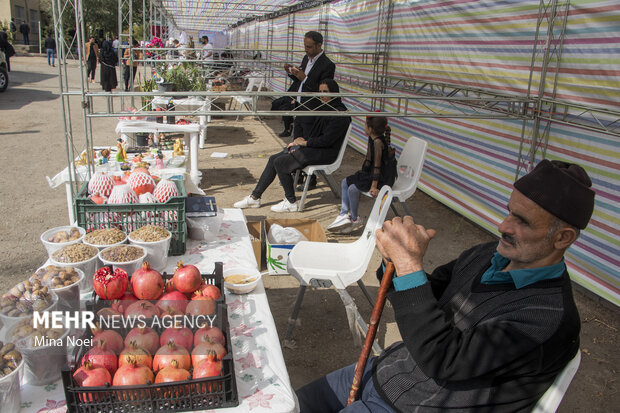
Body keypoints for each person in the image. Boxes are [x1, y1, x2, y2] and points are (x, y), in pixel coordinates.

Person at [297, 159, 595, 412]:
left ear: (563, 238)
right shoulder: (487, 254)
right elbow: (425, 293)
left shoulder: (547, 317)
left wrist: (409, 266)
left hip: (415, 406)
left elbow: (444, 360)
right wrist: (395, 261)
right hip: (385, 371)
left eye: (523, 221)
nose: (504, 226)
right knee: (288, 403)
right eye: (508, 211)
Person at [234, 79, 351, 213]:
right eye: (320, 91)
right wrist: (299, 141)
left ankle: (290, 202)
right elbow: (312, 131)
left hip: (326, 153)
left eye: (326, 92)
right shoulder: (325, 107)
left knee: (280, 162)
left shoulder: (339, 114)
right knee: (273, 159)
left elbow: (327, 140)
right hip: (315, 148)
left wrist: (305, 143)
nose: (322, 95)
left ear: (334, 93)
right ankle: (255, 197)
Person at [327, 115, 396, 234]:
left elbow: (377, 166)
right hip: (371, 173)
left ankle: (355, 219)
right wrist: (362, 173)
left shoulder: (378, 142)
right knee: (345, 182)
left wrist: (374, 186)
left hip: (381, 177)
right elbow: (369, 158)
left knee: (353, 189)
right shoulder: (372, 138)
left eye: (365, 125)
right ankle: (343, 214)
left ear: (370, 129)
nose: (363, 126)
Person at [282, 30, 336, 139]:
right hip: (299, 107)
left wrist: (304, 78)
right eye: (305, 46)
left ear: (319, 45)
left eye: (309, 47)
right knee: (296, 142)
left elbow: (323, 92)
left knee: (307, 144)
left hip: (312, 111)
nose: (306, 49)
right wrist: (292, 73)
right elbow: (300, 81)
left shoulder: (328, 65)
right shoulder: (306, 58)